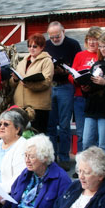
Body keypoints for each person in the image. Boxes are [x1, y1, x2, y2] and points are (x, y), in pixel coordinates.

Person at [45, 21, 82, 171]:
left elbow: (78, 67)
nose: (54, 39)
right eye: (52, 37)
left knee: (65, 124)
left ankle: (64, 157)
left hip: (66, 86)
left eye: (57, 36)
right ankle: (52, 158)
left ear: (64, 31)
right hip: (50, 86)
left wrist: (65, 71)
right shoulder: (46, 45)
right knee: (50, 125)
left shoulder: (73, 45)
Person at [10, 33, 54, 133]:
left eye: (35, 46)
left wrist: (29, 84)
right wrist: (15, 79)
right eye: (29, 46)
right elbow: (13, 84)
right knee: (21, 136)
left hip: (38, 107)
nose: (31, 49)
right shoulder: (23, 61)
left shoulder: (47, 61)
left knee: (36, 136)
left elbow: (46, 82)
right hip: (20, 105)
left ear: (42, 47)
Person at [71, 26, 103, 152]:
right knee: (81, 131)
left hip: (96, 97)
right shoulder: (80, 55)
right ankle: (80, 162)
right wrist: (75, 79)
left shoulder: (101, 56)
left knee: (95, 133)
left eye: (95, 39)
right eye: (89, 39)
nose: (91, 42)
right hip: (80, 96)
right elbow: (71, 74)